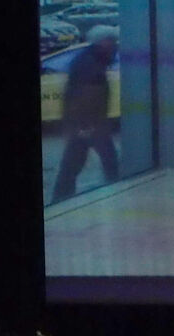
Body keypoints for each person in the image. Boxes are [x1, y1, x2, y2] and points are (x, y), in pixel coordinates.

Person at [50, 25, 120, 204]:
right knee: (105, 159)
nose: (114, 45)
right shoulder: (91, 64)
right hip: (89, 122)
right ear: (103, 42)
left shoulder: (91, 59)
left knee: (74, 162)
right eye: (111, 41)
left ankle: (61, 197)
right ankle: (62, 198)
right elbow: (85, 96)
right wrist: (85, 125)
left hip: (87, 121)